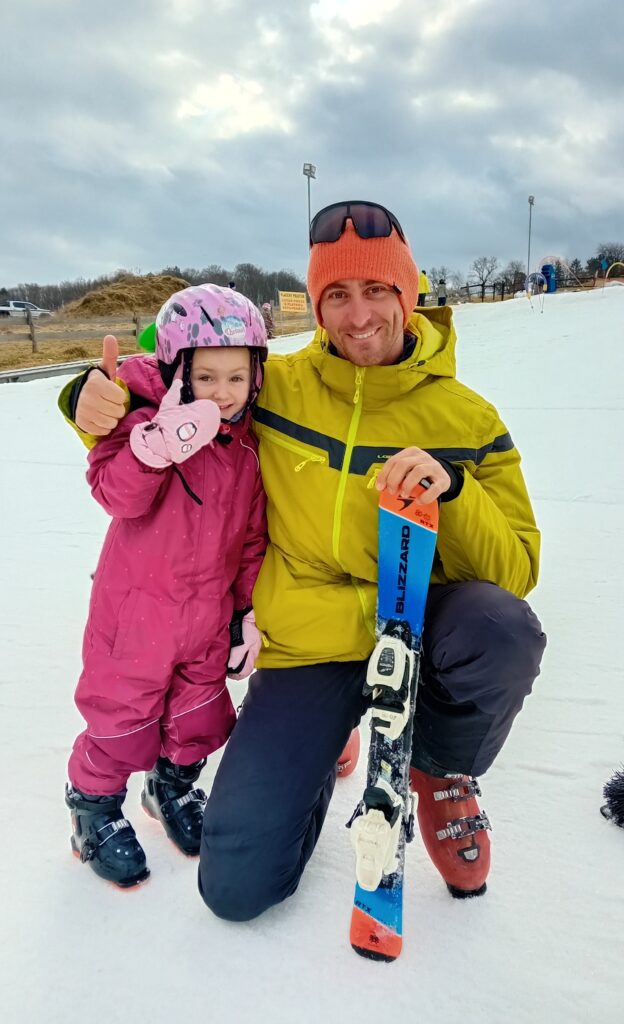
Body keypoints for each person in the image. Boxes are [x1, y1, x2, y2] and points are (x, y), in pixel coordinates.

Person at [61, 199, 546, 917]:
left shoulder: (468, 419)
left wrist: (456, 490)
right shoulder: (272, 385)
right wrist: (86, 397)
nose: (359, 315)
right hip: (311, 642)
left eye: (376, 289)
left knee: (499, 627)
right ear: (316, 306)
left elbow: (517, 572)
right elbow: (173, 387)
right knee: (236, 891)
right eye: (337, 295)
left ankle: (442, 772)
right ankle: (330, 730)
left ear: (408, 294)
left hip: (414, 623)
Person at [64, 284, 268, 888]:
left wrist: (244, 613)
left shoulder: (248, 449)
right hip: (137, 614)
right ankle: (93, 809)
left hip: (206, 616)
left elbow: (252, 539)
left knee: (197, 713)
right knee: (120, 714)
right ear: (178, 371)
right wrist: (152, 449)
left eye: (237, 378)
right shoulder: (144, 420)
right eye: (206, 377)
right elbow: (115, 495)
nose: (222, 393)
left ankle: (171, 789)